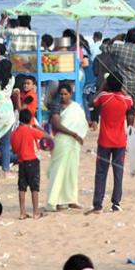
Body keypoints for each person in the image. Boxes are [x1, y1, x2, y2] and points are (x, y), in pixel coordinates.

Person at [89, 74, 131, 214]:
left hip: (105, 141)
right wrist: (120, 88)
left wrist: (102, 87)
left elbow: (92, 102)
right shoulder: (126, 100)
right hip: (120, 141)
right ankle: (116, 203)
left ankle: (98, 204)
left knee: (101, 172)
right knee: (118, 172)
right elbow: (129, 99)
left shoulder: (104, 97)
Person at [47, 82, 87, 211]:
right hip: (62, 141)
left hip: (74, 143)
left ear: (71, 94)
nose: (63, 96)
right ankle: (55, 201)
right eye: (61, 94)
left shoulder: (75, 107)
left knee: (71, 171)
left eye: (66, 94)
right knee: (58, 171)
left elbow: (82, 122)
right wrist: (73, 134)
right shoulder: (56, 106)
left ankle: (71, 199)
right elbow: (56, 125)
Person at [99, 28, 135, 121]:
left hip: (117, 84)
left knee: (116, 108)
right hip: (132, 85)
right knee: (131, 110)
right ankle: (129, 132)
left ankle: (118, 128)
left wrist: (114, 39)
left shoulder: (118, 48)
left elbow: (102, 47)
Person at [11, 108, 49, 220]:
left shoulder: (14, 133)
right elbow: (45, 136)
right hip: (32, 160)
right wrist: (38, 128)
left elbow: (14, 149)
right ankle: (35, 211)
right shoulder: (31, 130)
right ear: (30, 119)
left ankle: (22, 212)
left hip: (21, 161)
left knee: (22, 187)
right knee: (34, 187)